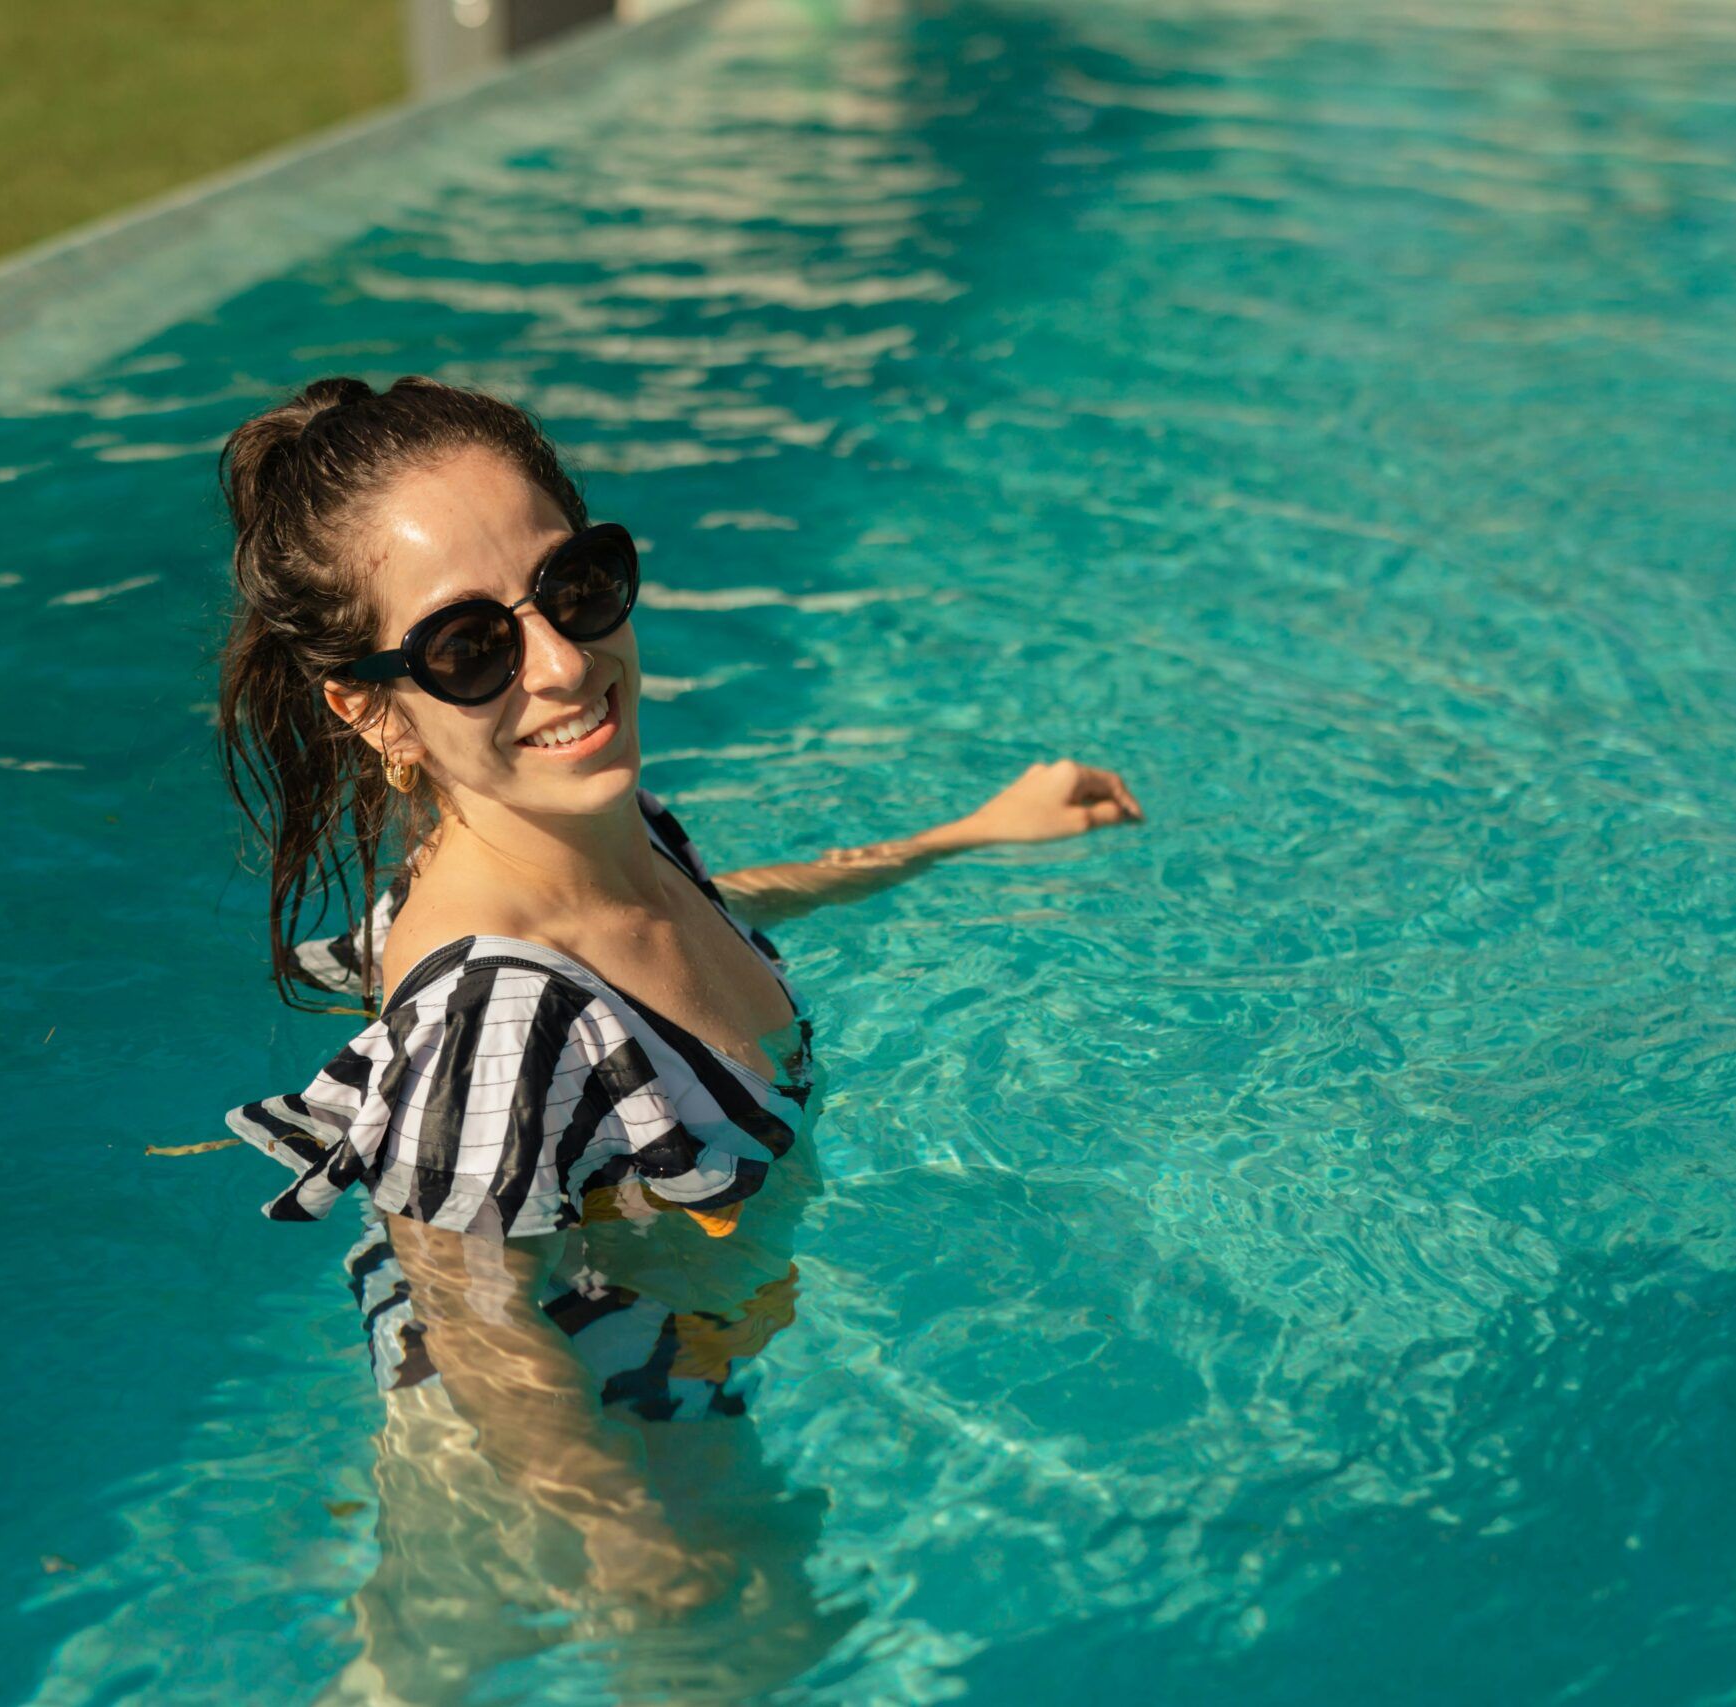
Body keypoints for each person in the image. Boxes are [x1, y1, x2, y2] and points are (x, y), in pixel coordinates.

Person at [211, 374, 1142, 1701]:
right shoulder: (497, 1013)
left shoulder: (602, 835)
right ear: (368, 709)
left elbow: (715, 902)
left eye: (573, 587)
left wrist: (964, 837)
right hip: (583, 1441)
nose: (561, 663)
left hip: (649, 1371)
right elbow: (468, 1311)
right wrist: (626, 1539)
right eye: (468, 649)